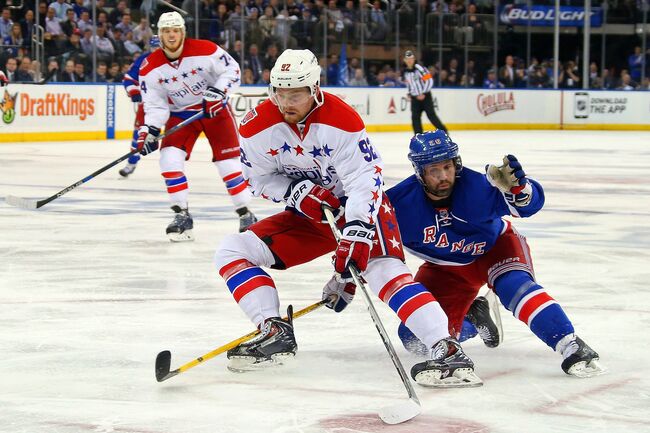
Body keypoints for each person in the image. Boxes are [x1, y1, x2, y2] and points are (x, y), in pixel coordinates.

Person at [213, 49, 482, 388]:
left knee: (383, 270)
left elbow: (365, 178)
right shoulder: (255, 126)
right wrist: (296, 193)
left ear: (314, 89)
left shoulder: (341, 119)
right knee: (232, 250)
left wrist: (356, 230)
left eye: (295, 93)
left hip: (358, 208)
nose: (286, 102)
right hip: (310, 215)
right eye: (279, 92)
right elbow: (257, 179)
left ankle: (447, 348)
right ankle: (273, 329)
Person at [385, 130, 605, 378]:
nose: (444, 176)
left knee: (514, 286)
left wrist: (521, 192)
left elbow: (529, 207)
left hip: (496, 249)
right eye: (434, 170)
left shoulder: (478, 186)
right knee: (415, 339)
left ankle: (571, 345)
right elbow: (369, 237)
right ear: (419, 171)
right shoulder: (398, 203)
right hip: (445, 268)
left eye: (447, 167)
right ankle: (475, 319)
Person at [137, 12, 257, 240]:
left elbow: (232, 70)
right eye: (166, 31)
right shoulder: (149, 67)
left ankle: (245, 213)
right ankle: (182, 215)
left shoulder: (206, 49)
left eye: (175, 30)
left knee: (228, 165)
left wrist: (218, 91)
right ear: (159, 35)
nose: (171, 35)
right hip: (180, 115)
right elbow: (155, 105)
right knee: (169, 158)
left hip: (214, 110)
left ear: (183, 32)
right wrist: (150, 131)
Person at [119, 35, 160, 178]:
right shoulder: (143, 60)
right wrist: (134, 90)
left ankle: (174, 163)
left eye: (159, 47)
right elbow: (129, 78)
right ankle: (131, 163)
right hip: (148, 103)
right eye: (154, 47)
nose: (156, 51)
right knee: (139, 132)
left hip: (173, 104)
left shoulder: (175, 59)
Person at [401, 50, 447, 135]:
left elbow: (429, 80)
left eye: (411, 59)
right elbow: (410, 85)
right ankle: (418, 136)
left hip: (425, 97)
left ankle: (444, 133)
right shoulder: (405, 72)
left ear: (414, 59)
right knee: (415, 118)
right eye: (407, 59)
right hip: (415, 98)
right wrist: (410, 94)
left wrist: (423, 93)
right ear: (404, 60)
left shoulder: (420, 68)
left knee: (431, 116)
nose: (409, 61)